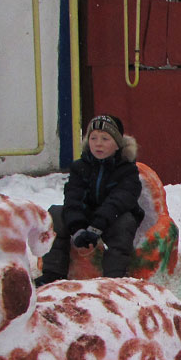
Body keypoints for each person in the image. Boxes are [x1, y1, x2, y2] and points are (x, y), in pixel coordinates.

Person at [36, 114, 143, 286]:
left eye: (105, 138)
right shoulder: (80, 167)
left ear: (117, 144)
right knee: (55, 213)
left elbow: (120, 200)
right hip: (86, 215)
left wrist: (96, 227)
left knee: (125, 223)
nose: (98, 143)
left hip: (113, 217)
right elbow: (73, 197)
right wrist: (77, 227)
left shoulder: (127, 170)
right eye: (93, 138)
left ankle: (114, 280)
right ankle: (53, 273)